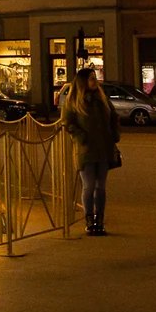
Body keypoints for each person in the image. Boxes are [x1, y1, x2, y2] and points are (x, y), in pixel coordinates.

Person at [60, 68, 120, 236]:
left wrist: (114, 135)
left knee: (101, 186)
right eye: (92, 78)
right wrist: (81, 136)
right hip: (85, 149)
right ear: (83, 81)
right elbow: (67, 122)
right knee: (89, 186)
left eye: (95, 78)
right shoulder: (74, 102)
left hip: (103, 148)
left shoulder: (102, 99)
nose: (95, 81)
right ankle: (89, 219)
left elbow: (114, 116)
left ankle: (99, 220)